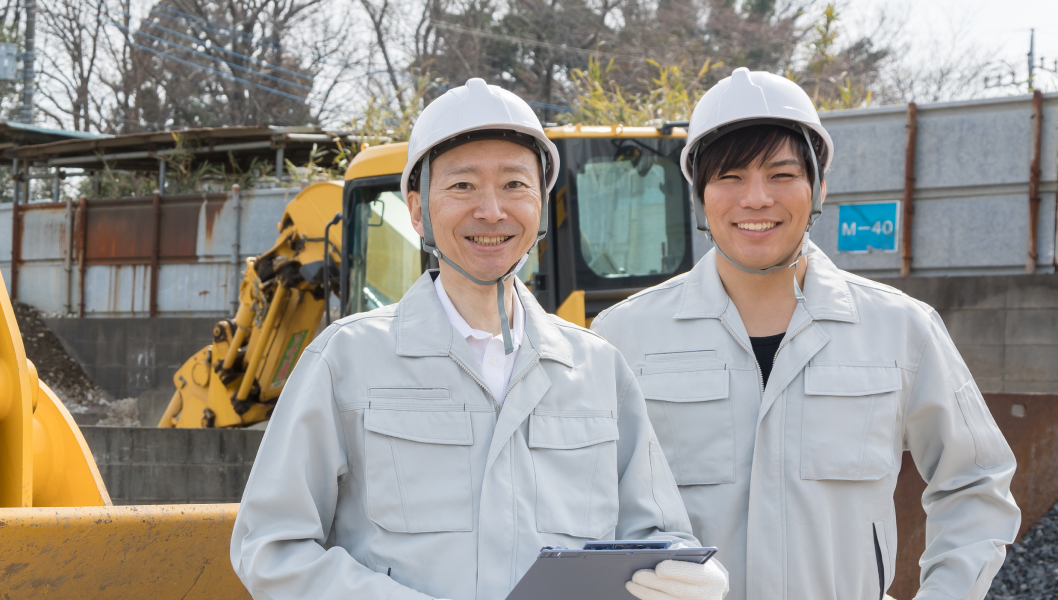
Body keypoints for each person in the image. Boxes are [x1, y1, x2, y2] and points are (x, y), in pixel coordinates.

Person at [229, 78, 727, 600]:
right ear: (418, 210)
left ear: (540, 205)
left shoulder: (597, 369)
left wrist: (682, 571)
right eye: (463, 186)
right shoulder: (346, 361)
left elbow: (653, 534)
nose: (491, 210)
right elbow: (270, 545)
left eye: (514, 184)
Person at [592, 68, 1021, 600]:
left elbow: (975, 480)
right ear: (700, 194)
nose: (755, 198)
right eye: (729, 177)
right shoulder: (623, 337)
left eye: (781, 174)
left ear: (819, 186)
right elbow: (586, 501)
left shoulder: (900, 329)